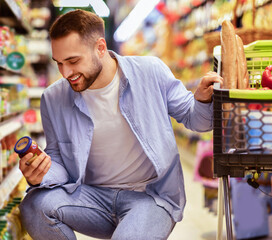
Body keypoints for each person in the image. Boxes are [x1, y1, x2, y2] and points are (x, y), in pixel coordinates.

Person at [18, 9, 223, 240]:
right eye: (59, 63)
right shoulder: (53, 98)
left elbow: (196, 119)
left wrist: (203, 99)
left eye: (73, 61)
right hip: (91, 198)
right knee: (33, 206)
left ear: (101, 48)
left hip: (150, 197)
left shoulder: (150, 72)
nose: (65, 73)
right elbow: (58, 160)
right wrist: (40, 175)